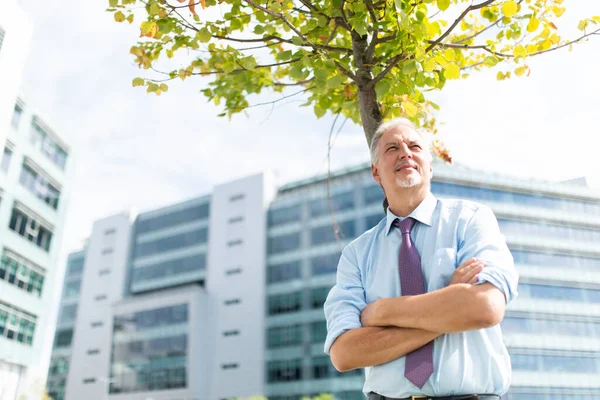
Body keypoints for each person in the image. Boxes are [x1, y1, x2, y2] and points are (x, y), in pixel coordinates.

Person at [323, 117, 519, 400]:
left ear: (429, 165)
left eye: (414, 146)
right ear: (376, 172)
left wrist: (381, 312)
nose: (405, 152)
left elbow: (484, 308)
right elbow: (345, 353)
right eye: (392, 148)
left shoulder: (471, 221)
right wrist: (450, 301)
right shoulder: (356, 254)